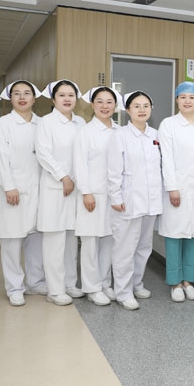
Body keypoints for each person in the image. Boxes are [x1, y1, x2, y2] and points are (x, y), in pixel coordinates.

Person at [0, 80, 45, 306]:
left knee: (36, 240)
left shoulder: (42, 124)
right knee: (12, 241)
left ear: (34, 98)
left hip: (38, 190)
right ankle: (14, 287)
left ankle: (35, 282)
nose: (22, 97)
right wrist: (8, 186)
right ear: (10, 98)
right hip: (13, 191)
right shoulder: (3, 124)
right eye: (16, 94)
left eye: (26, 93)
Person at [158, 82, 194, 303]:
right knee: (174, 237)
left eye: (192, 97)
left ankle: (189, 280)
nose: (187, 101)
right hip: (177, 189)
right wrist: (172, 187)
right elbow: (167, 159)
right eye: (183, 97)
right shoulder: (168, 125)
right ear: (177, 100)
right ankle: (175, 282)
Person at [108, 91, 162, 310]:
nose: (142, 110)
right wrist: (115, 196)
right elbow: (113, 170)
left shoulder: (155, 135)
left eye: (146, 105)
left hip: (151, 201)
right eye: (137, 106)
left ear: (151, 109)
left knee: (144, 247)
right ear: (128, 110)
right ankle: (123, 291)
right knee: (125, 249)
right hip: (128, 200)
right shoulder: (120, 135)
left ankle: (137, 284)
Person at [35, 80, 85, 306]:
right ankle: (55, 290)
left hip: (76, 188)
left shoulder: (81, 122)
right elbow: (43, 154)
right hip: (56, 187)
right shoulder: (46, 122)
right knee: (54, 240)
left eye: (71, 95)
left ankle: (69, 283)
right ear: (53, 99)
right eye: (62, 95)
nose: (67, 99)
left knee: (71, 238)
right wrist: (63, 177)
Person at [73, 87, 121, 306]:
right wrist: (86, 192)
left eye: (109, 101)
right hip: (92, 195)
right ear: (92, 105)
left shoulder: (120, 131)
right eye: (99, 101)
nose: (104, 106)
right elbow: (79, 164)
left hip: (114, 196)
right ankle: (92, 287)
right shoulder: (86, 132)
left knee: (109, 241)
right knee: (90, 242)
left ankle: (104, 283)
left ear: (115, 105)